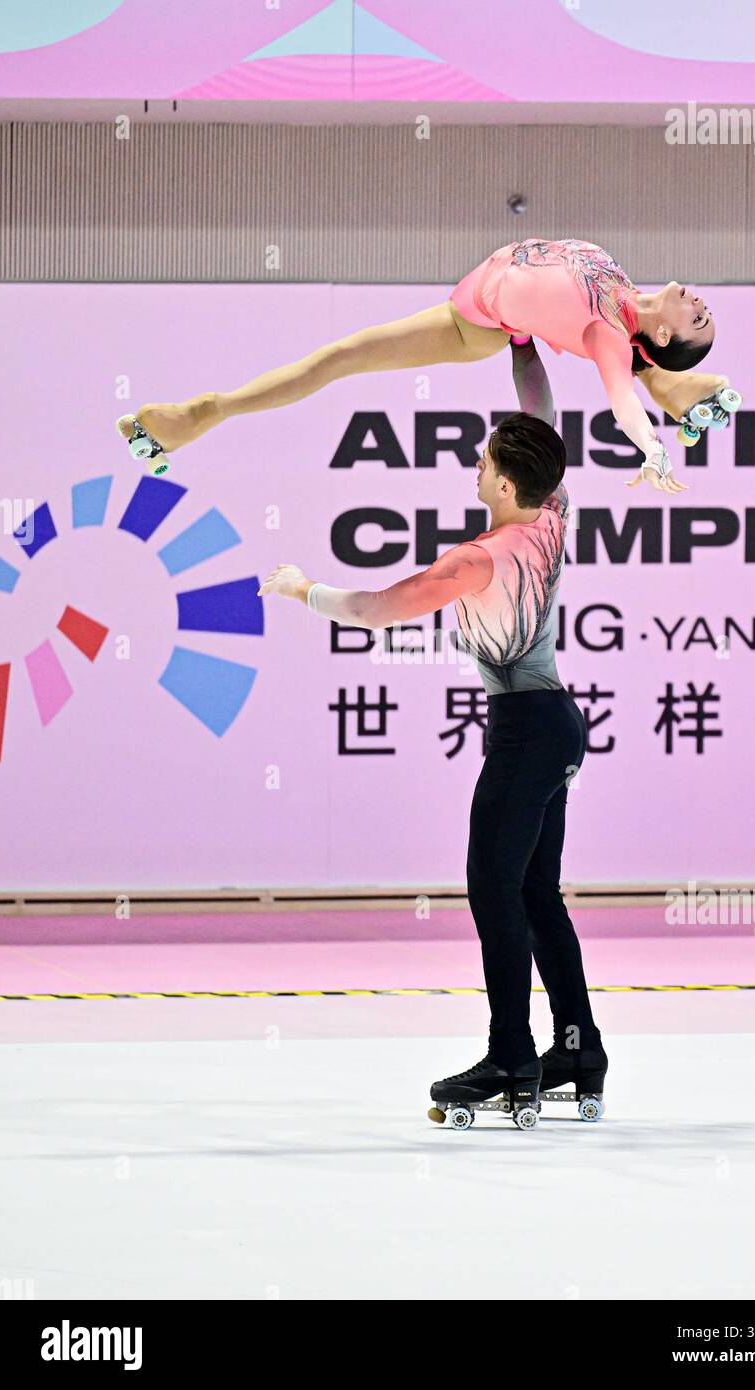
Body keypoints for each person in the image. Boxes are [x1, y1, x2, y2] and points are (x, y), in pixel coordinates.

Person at [258, 338, 610, 1121]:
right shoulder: (551, 512)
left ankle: (514, 1058)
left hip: (526, 731)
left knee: (496, 892)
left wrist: (303, 588)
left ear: (509, 484)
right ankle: (579, 1047)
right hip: (557, 723)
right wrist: (520, 338)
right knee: (535, 891)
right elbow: (539, 414)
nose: (476, 470)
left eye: (484, 464)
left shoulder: (478, 560)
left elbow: (379, 608)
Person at [119, 237, 728, 495]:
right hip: (513, 316)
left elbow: (618, 395)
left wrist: (649, 447)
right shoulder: (618, 283)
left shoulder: (610, 338)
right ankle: (674, 389)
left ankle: (211, 411)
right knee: (339, 357)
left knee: (339, 357)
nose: (702, 303)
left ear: (667, 330)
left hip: (475, 323)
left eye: (699, 318)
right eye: (706, 309)